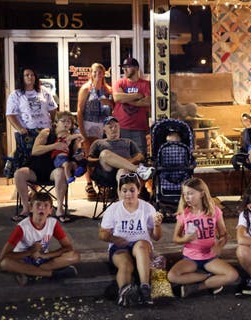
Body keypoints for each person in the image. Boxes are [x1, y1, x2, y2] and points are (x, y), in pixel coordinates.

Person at [167, 178, 239, 298]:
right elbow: (175, 238)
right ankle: (210, 279)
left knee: (233, 275)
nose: (187, 197)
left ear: (201, 193)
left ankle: (197, 287)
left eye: (190, 193)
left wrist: (219, 246)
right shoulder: (184, 214)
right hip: (191, 257)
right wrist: (185, 239)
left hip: (210, 257)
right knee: (172, 276)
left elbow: (224, 234)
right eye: (184, 194)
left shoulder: (214, 211)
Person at [99, 174, 163, 307]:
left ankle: (145, 288)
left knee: (140, 247)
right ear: (120, 191)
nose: (128, 194)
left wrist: (157, 225)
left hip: (141, 245)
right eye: (124, 190)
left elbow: (156, 237)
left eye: (132, 190)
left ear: (138, 190)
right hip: (119, 246)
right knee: (126, 264)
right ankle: (124, 292)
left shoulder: (147, 208)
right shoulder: (113, 209)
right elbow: (102, 234)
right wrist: (114, 238)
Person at [0, 192, 81, 286]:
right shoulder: (22, 227)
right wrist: (30, 252)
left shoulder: (53, 223)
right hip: (24, 259)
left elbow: (68, 247)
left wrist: (47, 256)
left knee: (75, 256)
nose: (42, 208)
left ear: (50, 210)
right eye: (38, 205)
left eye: (46, 205)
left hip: (42, 259)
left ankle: (31, 273)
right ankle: (52, 274)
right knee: (5, 263)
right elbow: (3, 256)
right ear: (31, 208)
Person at [12, 111, 75, 223]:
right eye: (63, 121)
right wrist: (54, 146)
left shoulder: (72, 138)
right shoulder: (47, 132)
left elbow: (74, 156)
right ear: (56, 123)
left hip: (53, 171)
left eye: (69, 121)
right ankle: (26, 209)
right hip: (36, 169)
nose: (66, 123)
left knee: (60, 172)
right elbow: (35, 150)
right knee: (19, 174)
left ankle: (60, 210)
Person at [5, 68, 58, 176]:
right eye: (27, 75)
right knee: (28, 161)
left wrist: (52, 123)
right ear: (22, 78)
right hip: (27, 133)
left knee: (44, 158)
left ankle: (40, 184)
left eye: (32, 75)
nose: (30, 77)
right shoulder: (16, 95)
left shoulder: (44, 91)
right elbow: (10, 114)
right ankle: (25, 186)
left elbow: (53, 109)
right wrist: (20, 128)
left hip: (45, 131)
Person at [88, 116, 155, 193]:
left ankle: (122, 203)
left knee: (123, 174)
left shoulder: (128, 142)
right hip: (106, 171)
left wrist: (124, 162)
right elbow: (89, 160)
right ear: (104, 130)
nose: (114, 129)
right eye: (110, 127)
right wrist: (103, 160)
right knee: (105, 153)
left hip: (125, 170)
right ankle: (138, 170)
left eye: (116, 126)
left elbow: (140, 157)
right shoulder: (98, 143)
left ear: (119, 127)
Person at [77, 63, 114, 199]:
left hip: (103, 126)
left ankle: (102, 183)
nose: (97, 74)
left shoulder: (108, 89)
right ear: (91, 74)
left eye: (100, 72)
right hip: (88, 124)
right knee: (88, 155)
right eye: (94, 72)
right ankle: (89, 184)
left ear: (104, 73)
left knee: (102, 155)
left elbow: (114, 106)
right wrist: (82, 132)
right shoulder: (86, 89)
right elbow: (80, 111)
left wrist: (109, 103)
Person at [113, 57, 151, 155]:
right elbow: (117, 98)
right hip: (122, 127)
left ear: (137, 68)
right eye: (123, 67)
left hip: (139, 128)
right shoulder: (120, 82)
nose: (124, 70)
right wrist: (137, 96)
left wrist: (126, 99)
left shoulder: (145, 84)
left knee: (140, 158)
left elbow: (147, 101)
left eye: (128, 67)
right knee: (122, 158)